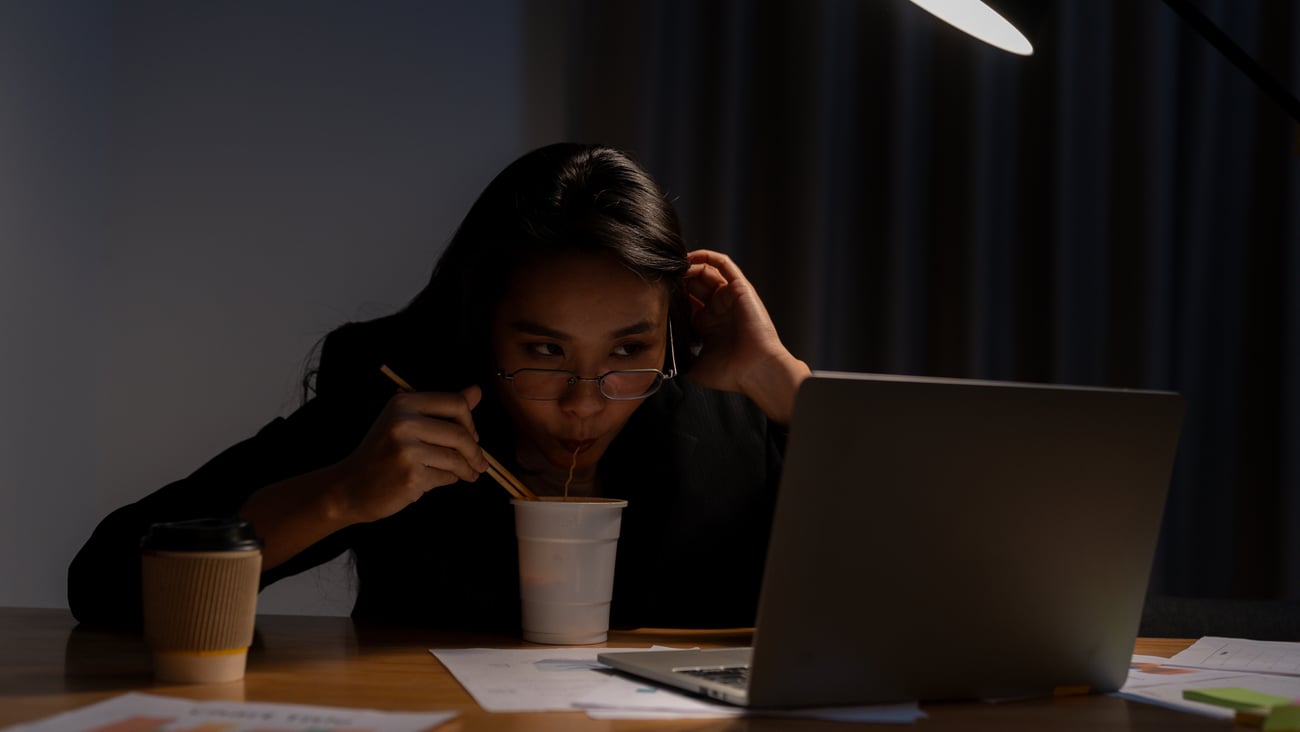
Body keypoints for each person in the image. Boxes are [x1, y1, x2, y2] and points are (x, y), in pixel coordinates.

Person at [69, 143, 811, 631]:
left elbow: (922, 583)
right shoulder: (402, 408)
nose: (585, 400)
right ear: (483, 326)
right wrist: (341, 495)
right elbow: (104, 584)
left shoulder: (730, 415)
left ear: (673, 330)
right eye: (544, 350)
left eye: (630, 348)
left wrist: (783, 380)